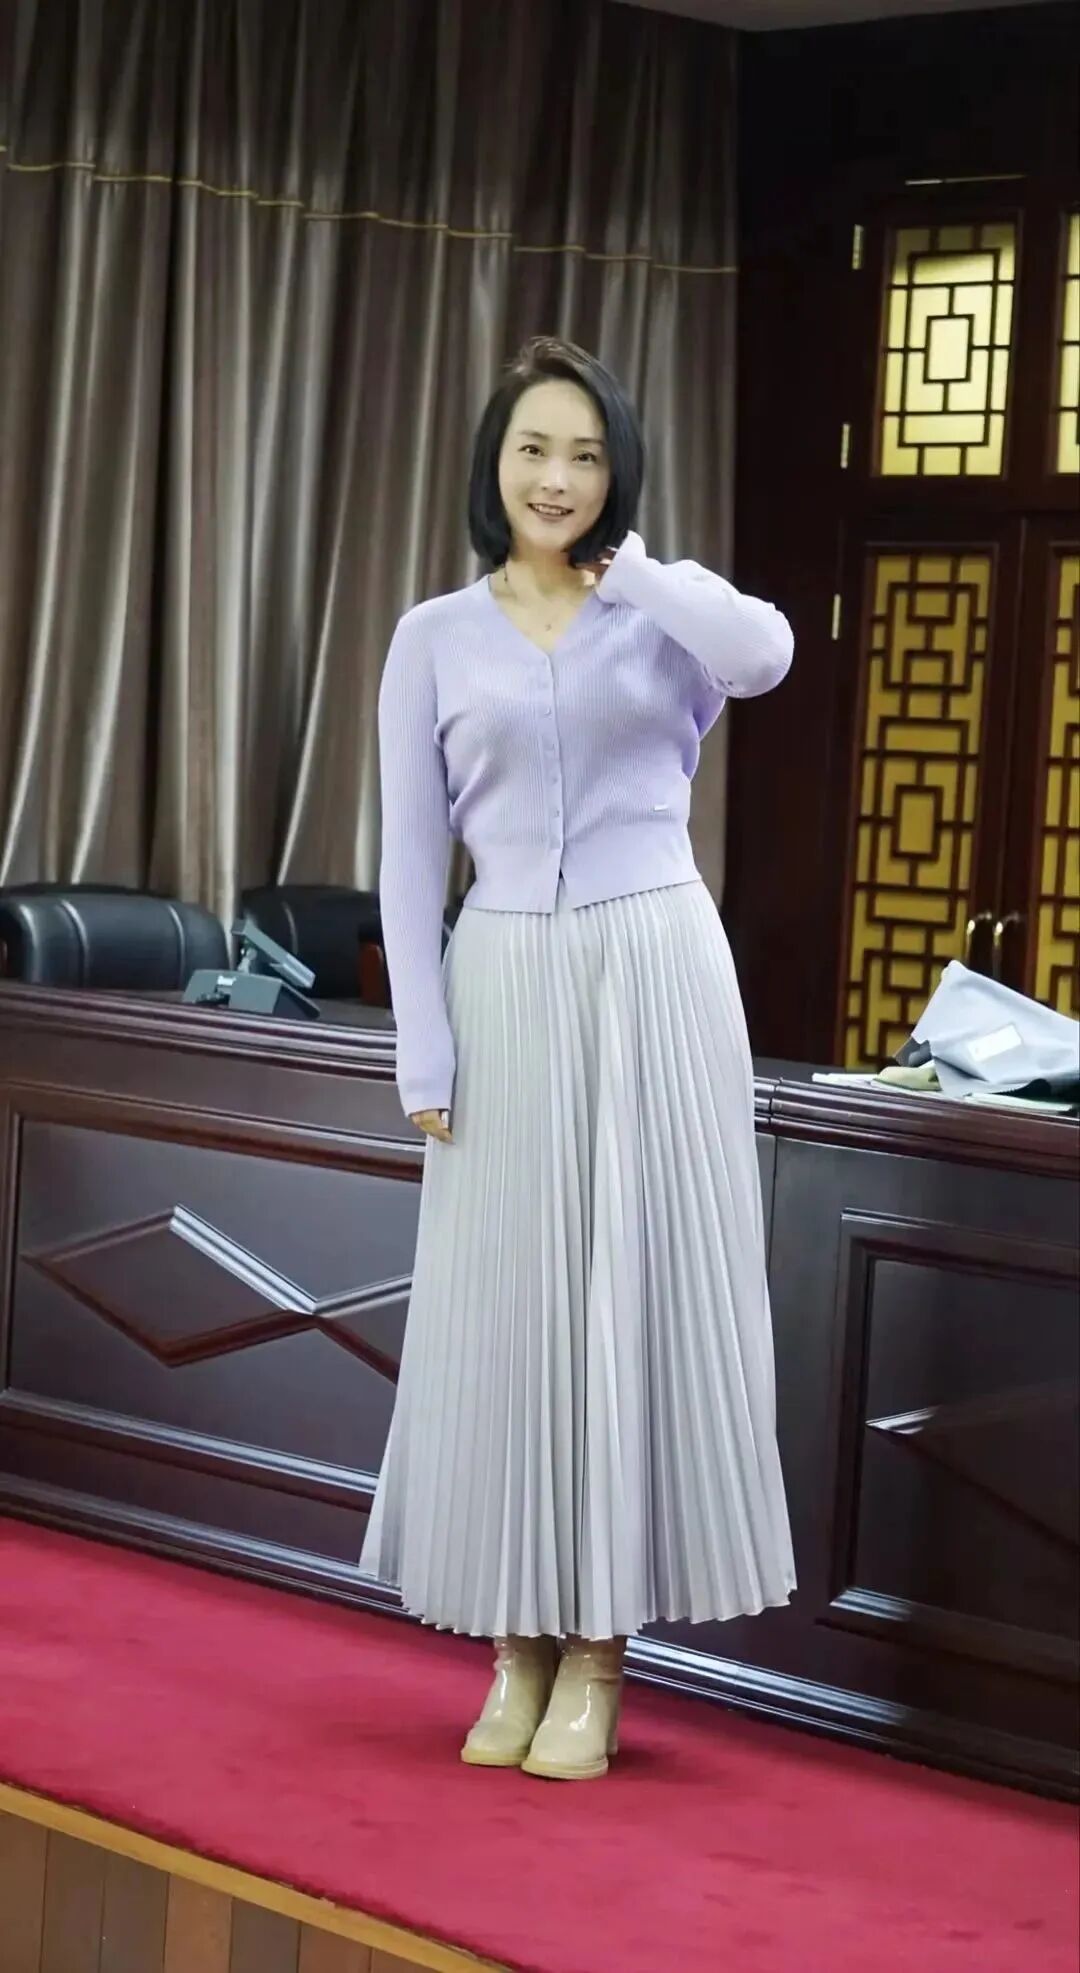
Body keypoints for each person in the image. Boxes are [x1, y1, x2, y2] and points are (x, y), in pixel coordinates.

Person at [360, 337, 796, 1782]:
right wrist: (423, 1044)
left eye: (586, 455)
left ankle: (601, 1660)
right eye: (534, 450)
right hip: (501, 981)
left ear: (618, 474)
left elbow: (767, 654)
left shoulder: (661, 617)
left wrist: (642, 575)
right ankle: (515, 1650)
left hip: (655, 970)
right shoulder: (432, 635)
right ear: (493, 464)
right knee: (510, 1312)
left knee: (629, 1309)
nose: (556, 478)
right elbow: (409, 854)